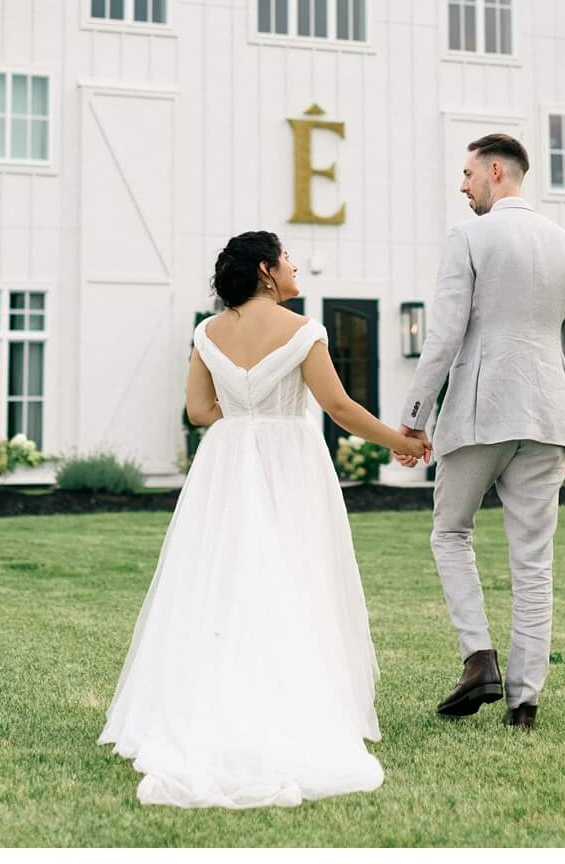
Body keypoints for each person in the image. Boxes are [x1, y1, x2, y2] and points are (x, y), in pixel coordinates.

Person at [98, 232, 425, 808]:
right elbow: (341, 408)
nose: (296, 266)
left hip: (225, 465)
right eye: (289, 257)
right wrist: (403, 441)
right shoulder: (304, 331)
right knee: (296, 573)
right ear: (267, 272)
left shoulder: (207, 332)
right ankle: (294, 705)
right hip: (289, 463)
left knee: (223, 580)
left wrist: (243, 410)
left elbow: (199, 411)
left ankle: (214, 702)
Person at [398, 132, 565, 730]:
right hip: (548, 416)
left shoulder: (469, 237)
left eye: (467, 174)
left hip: (482, 410)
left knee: (449, 533)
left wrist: (412, 417)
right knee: (534, 562)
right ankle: (524, 703)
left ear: (497, 172)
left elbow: (444, 336)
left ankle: (479, 659)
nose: (462, 186)